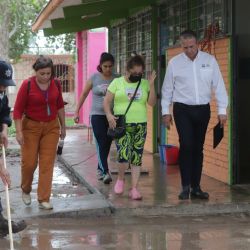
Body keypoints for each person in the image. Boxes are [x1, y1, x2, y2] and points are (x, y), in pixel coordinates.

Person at [161, 30, 228, 200]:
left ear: (197, 44)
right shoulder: (174, 63)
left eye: (191, 46)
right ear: (181, 46)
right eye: (185, 47)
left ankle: (196, 187)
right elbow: (167, 89)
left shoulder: (209, 61)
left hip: (203, 109)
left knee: (198, 147)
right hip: (182, 109)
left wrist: (222, 111)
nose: (189, 50)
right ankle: (185, 186)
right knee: (187, 145)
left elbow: (219, 87)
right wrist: (165, 112)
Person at [13, 57, 66, 210]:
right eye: (42, 73)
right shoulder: (27, 84)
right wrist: (18, 131)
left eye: (48, 73)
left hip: (51, 128)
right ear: (35, 71)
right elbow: (17, 109)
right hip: (30, 127)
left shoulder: (55, 83)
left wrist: (63, 126)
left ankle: (43, 198)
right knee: (29, 163)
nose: (45, 77)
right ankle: (26, 188)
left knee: (47, 164)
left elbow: (59, 104)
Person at [103, 54, 157, 200]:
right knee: (123, 155)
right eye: (134, 73)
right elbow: (107, 102)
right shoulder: (117, 82)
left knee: (137, 157)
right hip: (122, 125)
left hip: (140, 124)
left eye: (140, 73)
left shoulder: (145, 83)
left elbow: (152, 103)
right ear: (127, 70)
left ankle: (134, 188)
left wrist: (151, 85)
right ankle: (121, 179)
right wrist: (109, 115)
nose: (137, 76)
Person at [74, 52, 118, 184]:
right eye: (105, 66)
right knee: (100, 142)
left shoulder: (117, 79)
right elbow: (83, 95)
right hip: (97, 116)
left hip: (112, 117)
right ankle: (105, 172)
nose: (108, 69)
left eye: (110, 66)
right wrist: (77, 112)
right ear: (100, 66)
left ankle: (99, 168)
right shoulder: (94, 78)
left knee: (107, 144)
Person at [0, 61, 27, 237]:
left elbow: (4, 112)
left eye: (5, 84)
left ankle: (1, 225)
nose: (3, 88)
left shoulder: (2, 94)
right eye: (1, 83)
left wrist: (3, 129)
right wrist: (1, 167)